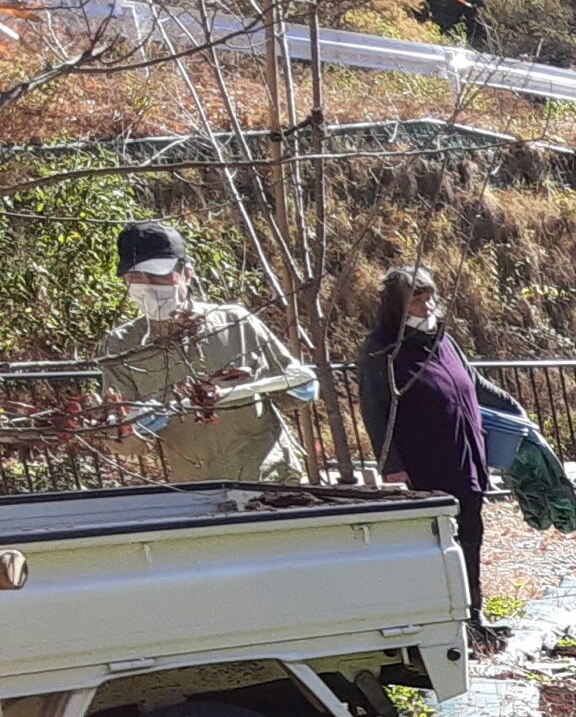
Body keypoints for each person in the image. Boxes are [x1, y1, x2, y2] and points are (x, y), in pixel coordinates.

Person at [356, 264, 525, 653]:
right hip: (424, 466)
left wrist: (517, 412)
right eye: (416, 297)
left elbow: (475, 385)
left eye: (430, 294)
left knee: (471, 538)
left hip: (465, 459)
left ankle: (474, 619)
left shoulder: (443, 339)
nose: (427, 303)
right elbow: (375, 410)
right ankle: (445, 628)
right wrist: (391, 466)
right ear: (396, 305)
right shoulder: (381, 349)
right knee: (439, 550)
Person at [96, 220, 316, 484]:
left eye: (157, 275)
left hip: (271, 480)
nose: (147, 286)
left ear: (187, 273)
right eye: (135, 277)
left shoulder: (236, 324)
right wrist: (133, 429)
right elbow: (125, 443)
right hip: (200, 489)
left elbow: (291, 392)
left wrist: (300, 386)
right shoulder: (121, 347)